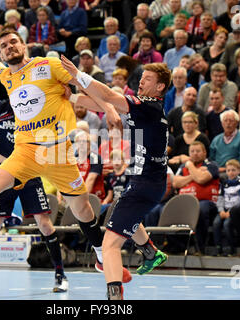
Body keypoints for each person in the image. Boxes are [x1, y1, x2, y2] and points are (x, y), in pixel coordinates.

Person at [0, 30, 132, 286]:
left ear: (24, 45)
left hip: (57, 151)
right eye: (3, 45)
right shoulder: (8, 75)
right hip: (26, 150)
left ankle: (99, 256)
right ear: (1, 53)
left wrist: (108, 106)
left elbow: (85, 84)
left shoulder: (49, 64)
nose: (9, 47)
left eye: (13, 42)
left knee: (82, 208)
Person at [60, 56, 170, 300]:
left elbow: (108, 96)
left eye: (148, 79)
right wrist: (73, 97)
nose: (141, 83)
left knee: (109, 245)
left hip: (146, 184)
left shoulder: (149, 105)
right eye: (140, 78)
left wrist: (78, 76)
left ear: (160, 86)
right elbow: (102, 102)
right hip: (145, 181)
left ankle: (115, 298)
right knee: (121, 213)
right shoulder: (148, 106)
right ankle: (150, 252)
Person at [0, 99, 70, 292]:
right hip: (3, 172)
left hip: (29, 171)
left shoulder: (36, 107)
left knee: (45, 224)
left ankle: (60, 274)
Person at [172, 141, 220, 253]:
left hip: (206, 202)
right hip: (185, 202)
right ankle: (177, 247)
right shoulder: (183, 166)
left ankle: (200, 248)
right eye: (192, 151)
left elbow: (201, 180)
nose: (195, 154)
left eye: (198, 151)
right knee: (166, 210)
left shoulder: (211, 165)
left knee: (200, 209)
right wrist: (196, 173)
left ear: (204, 153)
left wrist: (190, 167)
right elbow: (176, 183)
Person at [209, 109, 240, 174]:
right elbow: (211, 159)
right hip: (217, 172)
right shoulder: (216, 139)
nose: (228, 123)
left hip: (234, 173)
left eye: (231, 121)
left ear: (236, 123)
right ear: (222, 123)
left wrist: (225, 169)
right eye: (225, 121)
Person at [213, 159, 240, 256]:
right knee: (216, 223)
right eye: (228, 170)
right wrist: (221, 211)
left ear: (239, 171)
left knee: (227, 224)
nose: (231, 172)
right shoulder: (224, 184)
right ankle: (218, 248)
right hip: (223, 210)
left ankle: (231, 248)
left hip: (233, 211)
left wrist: (230, 212)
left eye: (233, 170)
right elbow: (220, 199)